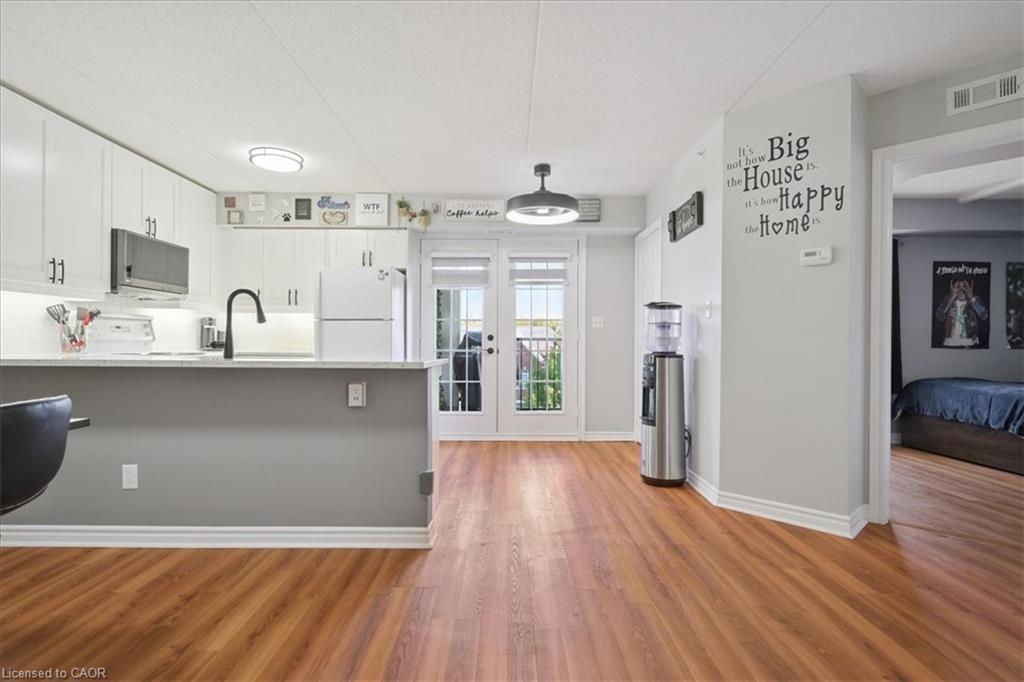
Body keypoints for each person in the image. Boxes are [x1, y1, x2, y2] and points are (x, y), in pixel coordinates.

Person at [935, 279, 988, 347]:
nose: (961, 290)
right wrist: (951, 299)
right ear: (953, 288)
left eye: (964, 286)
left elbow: (984, 316)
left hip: (971, 343)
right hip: (950, 343)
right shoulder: (948, 300)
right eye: (958, 287)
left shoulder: (974, 300)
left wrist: (971, 298)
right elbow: (939, 316)